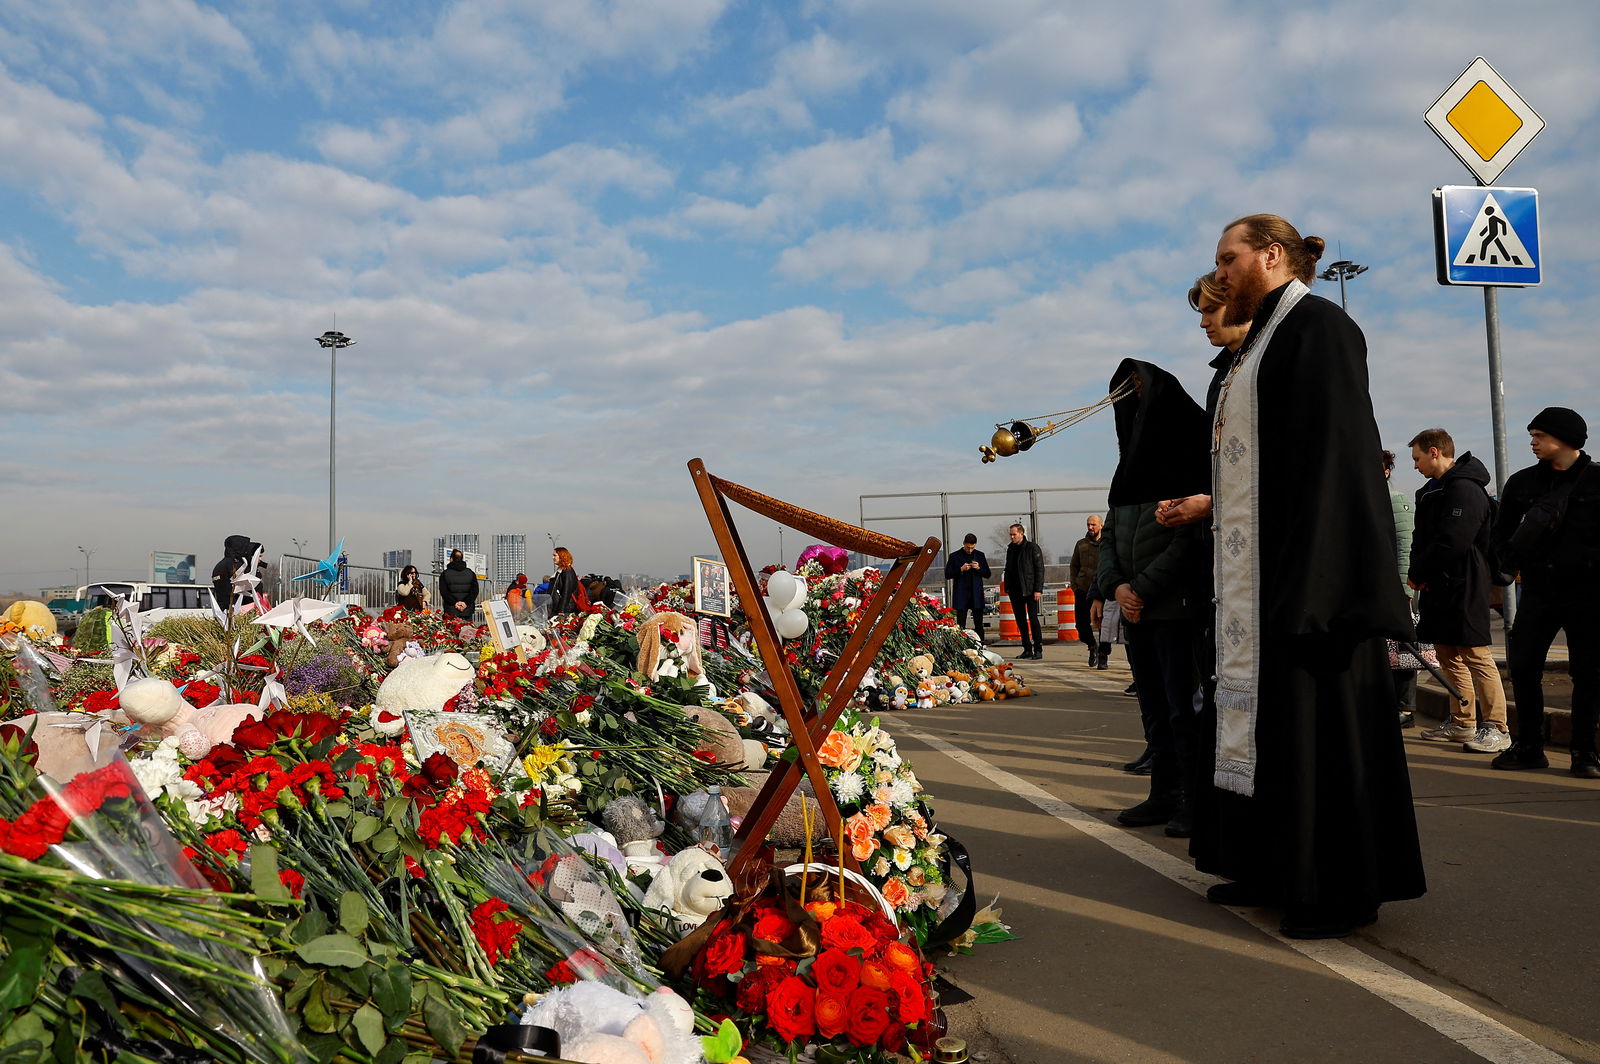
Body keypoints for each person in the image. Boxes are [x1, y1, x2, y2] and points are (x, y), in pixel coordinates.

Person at [1158, 213, 1425, 938]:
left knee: (1322, 738)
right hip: (1263, 574)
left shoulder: (1320, 330)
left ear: (1271, 255)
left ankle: (1339, 889)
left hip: (1314, 583)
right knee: (1272, 730)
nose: (1219, 273)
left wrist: (1317, 580)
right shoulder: (1260, 345)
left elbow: (1337, 465)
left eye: (1228, 257)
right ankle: (1272, 866)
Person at [1095, 360, 1208, 836]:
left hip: (1176, 609)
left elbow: (1188, 543)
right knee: (1154, 707)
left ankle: (1193, 800)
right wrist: (1116, 587)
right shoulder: (1126, 476)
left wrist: (1140, 589)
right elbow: (1108, 543)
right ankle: (1162, 793)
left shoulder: (1188, 464)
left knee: (1185, 708)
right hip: (1138, 612)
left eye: (1139, 393)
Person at [1491, 408, 1600, 778]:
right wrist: (1506, 564)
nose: (1532, 442)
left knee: (1589, 674)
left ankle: (1585, 753)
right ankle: (1529, 747)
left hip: (1588, 596)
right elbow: (1500, 534)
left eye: (1539, 435)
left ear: (1564, 438)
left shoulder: (1597, 480)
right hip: (1538, 592)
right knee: (1523, 669)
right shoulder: (1521, 484)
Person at [1407, 428, 1510, 753]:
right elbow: (1423, 538)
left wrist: (1420, 570)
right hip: (1440, 583)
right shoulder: (1431, 491)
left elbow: (1455, 541)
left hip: (1466, 582)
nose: (1415, 465)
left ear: (1435, 452)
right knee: (1447, 654)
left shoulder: (1465, 489)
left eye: (1417, 458)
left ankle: (1497, 727)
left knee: (1476, 654)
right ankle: (1462, 722)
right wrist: (1419, 570)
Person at [1382, 450, 1419, 728]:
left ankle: (1406, 708)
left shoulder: (1397, 502)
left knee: (1404, 647)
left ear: (1386, 471)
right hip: (1378, 590)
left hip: (1397, 590)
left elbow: (1406, 549)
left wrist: (1406, 592)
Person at [1069, 516, 1111, 668]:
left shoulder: (1108, 544)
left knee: (1103, 625)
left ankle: (1103, 655)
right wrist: (1075, 586)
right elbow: (1074, 566)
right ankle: (1092, 645)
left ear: (1101, 525)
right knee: (1081, 625)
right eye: (1088, 524)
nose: (1090, 527)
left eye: (1093, 524)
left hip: (1102, 590)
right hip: (1083, 589)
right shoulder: (1081, 545)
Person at [1004, 523, 1045, 660]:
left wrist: (1038, 589)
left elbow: (1039, 569)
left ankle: (1038, 648)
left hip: (1030, 589)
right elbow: (1008, 568)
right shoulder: (1010, 549)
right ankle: (1027, 648)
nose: (1012, 537)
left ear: (1022, 534)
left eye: (1014, 534)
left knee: (1033, 619)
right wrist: (1007, 587)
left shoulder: (1032, 548)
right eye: (1011, 534)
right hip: (1015, 591)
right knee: (1020, 621)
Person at [944, 534, 991, 643]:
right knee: (960, 623)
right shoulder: (954, 556)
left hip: (976, 594)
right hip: (961, 594)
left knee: (979, 623)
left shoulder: (980, 555)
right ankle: (961, 644)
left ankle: (981, 643)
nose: (970, 550)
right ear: (964, 544)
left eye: (972, 548)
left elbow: (987, 574)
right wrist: (960, 569)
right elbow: (947, 574)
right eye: (968, 547)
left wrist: (978, 568)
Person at [210, 535, 262, 610]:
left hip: (222, 608)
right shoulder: (237, 565)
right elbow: (254, 580)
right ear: (239, 547)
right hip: (239, 609)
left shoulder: (219, 565)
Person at [438, 549, 479, 623]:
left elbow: (444, 592)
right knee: (467, 632)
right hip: (467, 610)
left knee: (450, 633)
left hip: (451, 610)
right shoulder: (471, 573)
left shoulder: (445, 574)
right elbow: (475, 591)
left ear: (451, 559)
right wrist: (465, 603)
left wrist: (455, 603)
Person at [549, 547, 582, 615]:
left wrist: (561, 610)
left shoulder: (567, 571)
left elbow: (567, 591)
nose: (552, 558)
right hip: (557, 609)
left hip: (564, 610)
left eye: (555, 555)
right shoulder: (560, 571)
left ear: (562, 556)